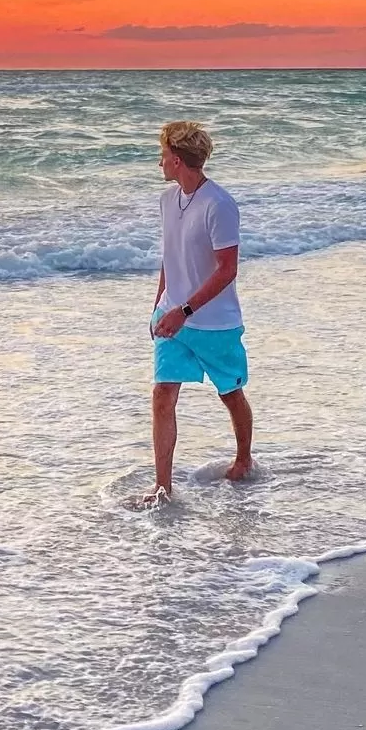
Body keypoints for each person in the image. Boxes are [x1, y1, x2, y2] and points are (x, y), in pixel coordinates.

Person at [132, 120, 253, 509]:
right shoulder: (168, 201)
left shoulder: (219, 204)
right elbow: (170, 256)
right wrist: (159, 304)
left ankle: (243, 458)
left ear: (179, 159)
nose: (160, 161)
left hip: (213, 323)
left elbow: (227, 269)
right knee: (162, 395)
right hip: (173, 317)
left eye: (164, 154)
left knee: (231, 394)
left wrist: (185, 310)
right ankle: (162, 487)